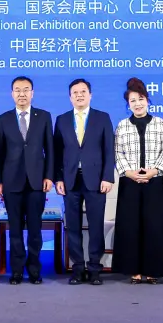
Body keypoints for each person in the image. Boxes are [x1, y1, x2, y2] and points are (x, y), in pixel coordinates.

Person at [54, 78, 115, 286]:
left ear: (90, 95)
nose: (79, 95)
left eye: (83, 92)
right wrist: (58, 178)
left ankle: (95, 268)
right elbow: (57, 152)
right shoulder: (62, 120)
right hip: (70, 180)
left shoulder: (102, 117)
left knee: (96, 225)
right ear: (70, 97)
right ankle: (78, 268)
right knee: (73, 226)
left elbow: (109, 150)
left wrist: (108, 177)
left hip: (96, 180)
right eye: (75, 93)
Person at [112, 77, 163, 284]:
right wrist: (128, 172)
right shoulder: (122, 126)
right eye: (133, 101)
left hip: (154, 182)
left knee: (154, 226)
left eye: (140, 99)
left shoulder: (160, 124)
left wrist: (154, 171)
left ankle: (153, 270)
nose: (137, 104)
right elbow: (117, 153)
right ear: (128, 104)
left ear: (147, 100)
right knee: (130, 226)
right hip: (129, 182)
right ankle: (134, 270)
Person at [0, 76, 54, 285]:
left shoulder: (44, 116)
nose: (22, 94)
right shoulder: (2, 119)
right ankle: (17, 271)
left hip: (37, 181)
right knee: (15, 229)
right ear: (12, 94)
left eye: (26, 89)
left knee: (35, 229)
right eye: (18, 90)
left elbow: (50, 149)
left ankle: (35, 270)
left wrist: (49, 176)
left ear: (32, 93)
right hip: (11, 182)